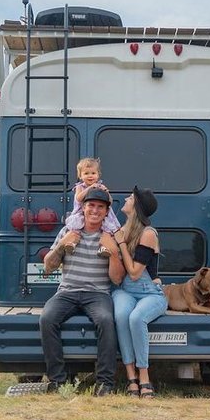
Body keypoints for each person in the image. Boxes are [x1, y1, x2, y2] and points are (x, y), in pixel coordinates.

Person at [40, 187, 125, 395]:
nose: (95, 210)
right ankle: (58, 381)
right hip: (67, 291)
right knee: (47, 319)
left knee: (106, 320)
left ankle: (105, 383)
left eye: (100, 207)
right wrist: (62, 245)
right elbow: (48, 267)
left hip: (98, 294)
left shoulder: (110, 237)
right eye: (91, 206)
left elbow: (117, 278)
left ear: (107, 212)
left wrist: (113, 252)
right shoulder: (68, 231)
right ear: (83, 208)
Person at [111, 186, 167, 398]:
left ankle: (144, 377)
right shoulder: (124, 228)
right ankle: (130, 377)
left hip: (150, 293)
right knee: (121, 315)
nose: (125, 198)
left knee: (136, 318)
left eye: (130, 197)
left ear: (137, 206)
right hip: (126, 290)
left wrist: (122, 244)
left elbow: (134, 272)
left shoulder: (148, 233)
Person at [62, 158, 121, 253]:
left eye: (93, 173)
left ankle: (104, 248)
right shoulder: (79, 187)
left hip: (98, 215)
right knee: (76, 228)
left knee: (106, 229)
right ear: (80, 176)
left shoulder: (100, 186)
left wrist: (106, 191)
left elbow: (110, 201)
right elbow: (79, 198)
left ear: (98, 175)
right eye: (86, 173)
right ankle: (72, 244)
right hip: (81, 212)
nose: (90, 176)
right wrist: (89, 188)